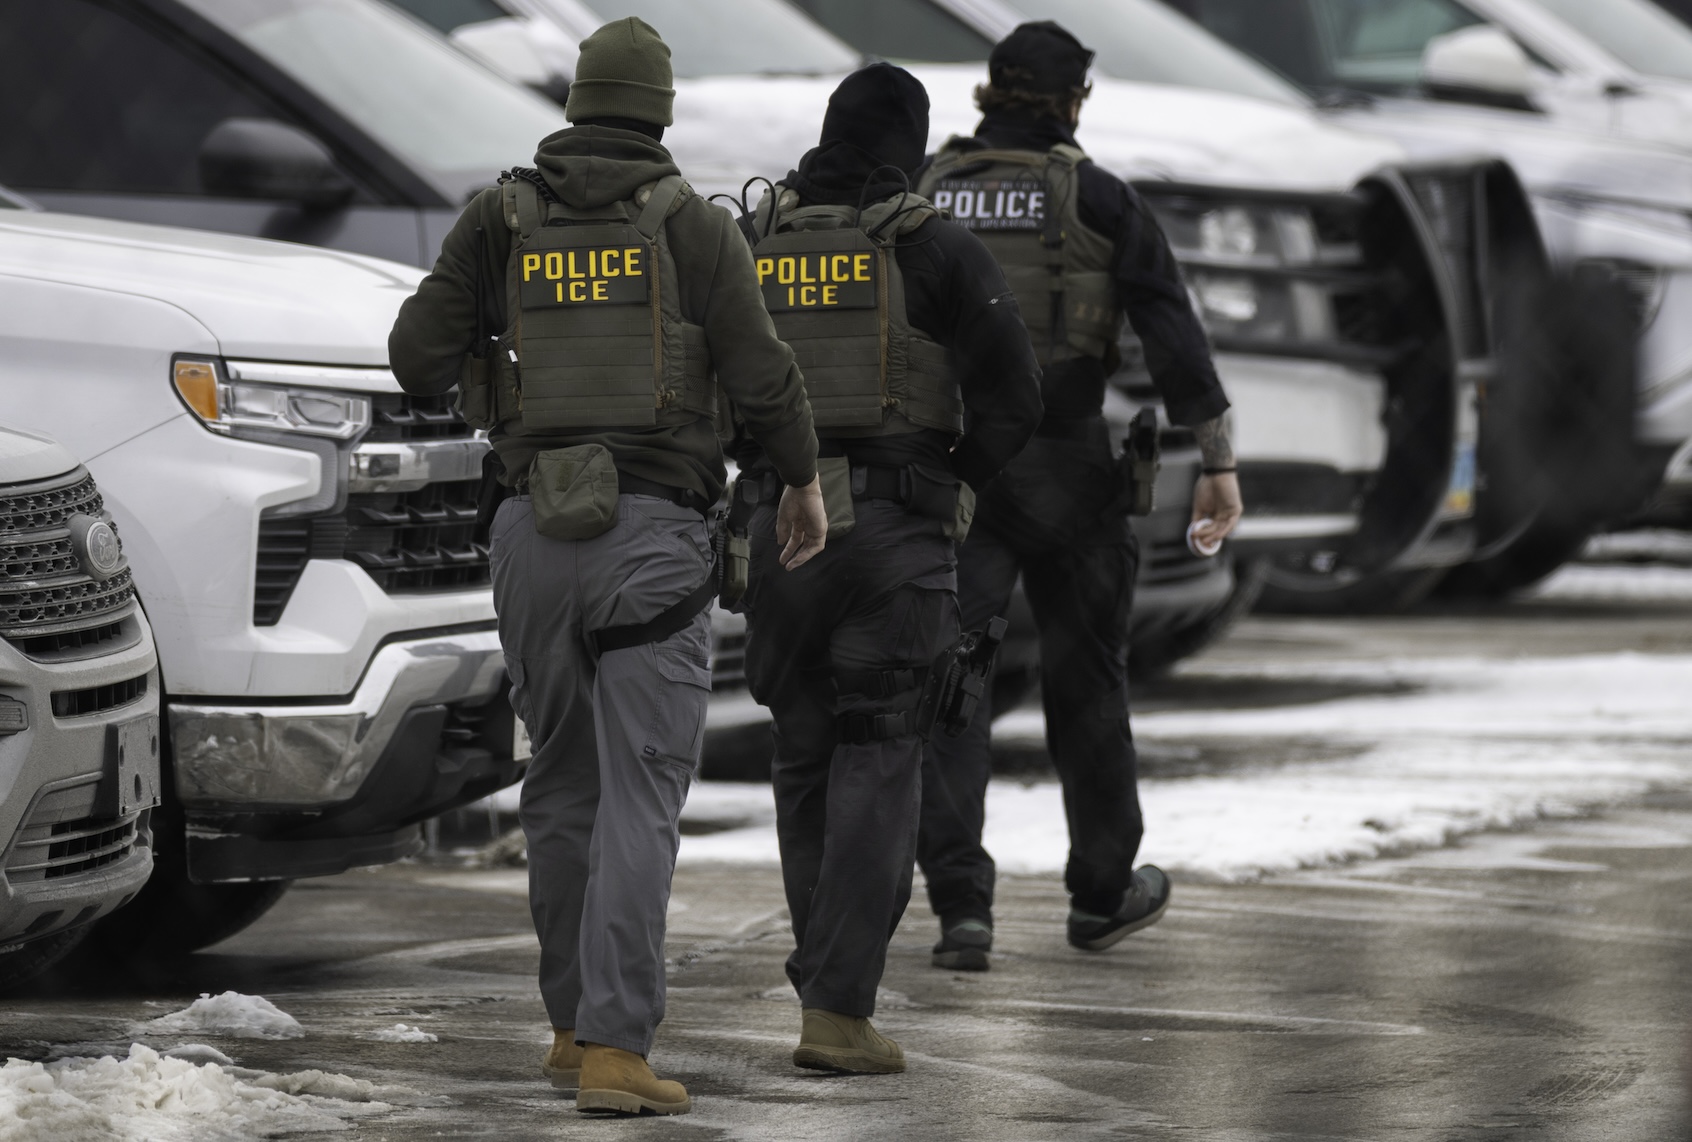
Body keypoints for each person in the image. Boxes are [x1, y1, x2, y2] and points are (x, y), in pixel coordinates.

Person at [388, 17, 825, 1117]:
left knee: (564, 783)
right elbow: (763, 376)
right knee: (642, 793)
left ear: (578, 102)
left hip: (530, 534)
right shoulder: (689, 227)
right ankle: (619, 1052)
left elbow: (414, 355)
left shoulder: (501, 215)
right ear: (662, 111)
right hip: (654, 542)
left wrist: (499, 363)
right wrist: (803, 480)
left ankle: (573, 1025)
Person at [912, 21, 1244, 971]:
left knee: (955, 685)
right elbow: (1172, 331)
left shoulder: (926, 197)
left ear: (990, 93)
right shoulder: (1099, 196)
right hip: (1068, 461)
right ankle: (1101, 892)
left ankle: (960, 909)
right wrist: (1216, 458)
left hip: (959, 466)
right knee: (1088, 680)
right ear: (1070, 101)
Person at [732, 63, 1042, 1073]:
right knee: (882, 753)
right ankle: (837, 1002)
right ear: (908, 144)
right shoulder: (933, 244)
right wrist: (956, 482)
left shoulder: (756, 237)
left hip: (779, 530)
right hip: (895, 536)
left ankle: (823, 962)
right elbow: (1016, 397)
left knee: (801, 751)